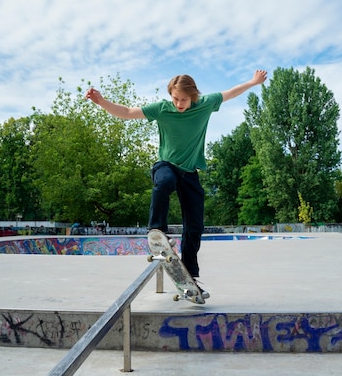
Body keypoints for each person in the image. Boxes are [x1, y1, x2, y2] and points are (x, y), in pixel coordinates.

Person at [85, 69, 267, 294]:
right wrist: (102, 102)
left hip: (190, 171)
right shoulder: (162, 109)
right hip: (166, 165)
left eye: (184, 99)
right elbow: (128, 112)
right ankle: (157, 231)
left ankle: (190, 275)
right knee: (164, 183)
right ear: (170, 95)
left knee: (195, 226)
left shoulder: (206, 103)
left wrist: (253, 81)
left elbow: (230, 93)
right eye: (175, 98)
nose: (179, 103)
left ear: (194, 96)